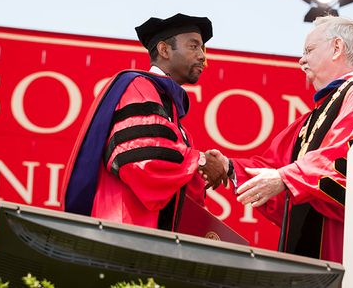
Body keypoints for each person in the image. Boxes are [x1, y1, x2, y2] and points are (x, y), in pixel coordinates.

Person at [205, 15, 353, 263]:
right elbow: (273, 167)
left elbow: (342, 157)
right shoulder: (308, 122)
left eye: (309, 50)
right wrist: (228, 166)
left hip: (339, 244)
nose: (302, 60)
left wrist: (286, 178)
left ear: (337, 48)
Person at [61, 13, 229, 231]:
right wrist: (201, 161)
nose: (202, 57)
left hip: (151, 235)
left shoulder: (171, 111)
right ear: (164, 50)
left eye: (203, 49)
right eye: (194, 46)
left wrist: (199, 170)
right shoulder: (139, 86)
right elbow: (144, 158)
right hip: (123, 227)